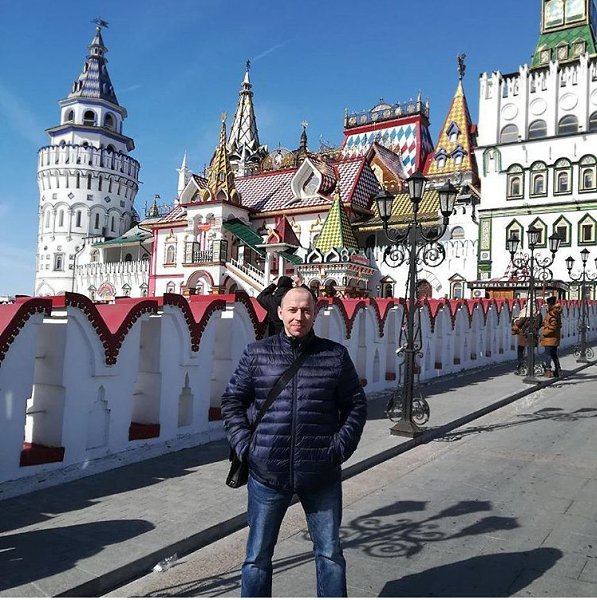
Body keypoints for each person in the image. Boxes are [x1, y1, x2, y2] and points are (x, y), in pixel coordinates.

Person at [221, 286, 367, 597]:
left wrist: (338, 449)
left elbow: (355, 404)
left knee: (329, 554)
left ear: (315, 313)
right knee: (257, 557)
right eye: (292, 310)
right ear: (280, 313)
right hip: (267, 474)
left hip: (321, 474)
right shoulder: (257, 354)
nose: (299, 316)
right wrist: (247, 447)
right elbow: (232, 400)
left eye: (306, 310)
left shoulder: (334, 355)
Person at [511, 302, 542, 375]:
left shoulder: (525, 313)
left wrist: (515, 320)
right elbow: (539, 325)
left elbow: (519, 323)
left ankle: (521, 367)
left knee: (521, 351)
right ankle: (531, 368)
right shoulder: (538, 314)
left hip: (523, 335)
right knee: (531, 352)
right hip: (533, 336)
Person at [540, 296, 562, 377]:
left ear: (550, 304)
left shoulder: (552, 313)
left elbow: (553, 326)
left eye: (547, 304)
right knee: (553, 354)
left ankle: (548, 371)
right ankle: (558, 370)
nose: (546, 305)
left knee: (547, 354)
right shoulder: (555, 312)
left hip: (550, 338)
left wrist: (544, 332)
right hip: (555, 337)